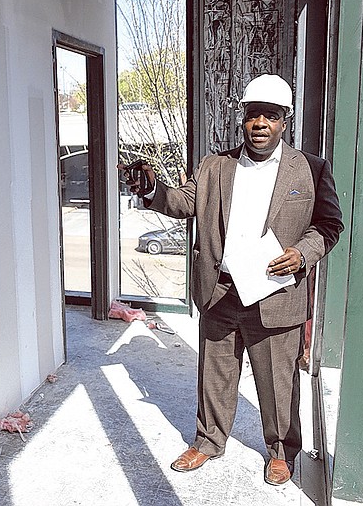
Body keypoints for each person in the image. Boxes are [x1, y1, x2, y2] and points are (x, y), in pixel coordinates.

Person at [121, 74, 343, 485]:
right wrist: (152, 189)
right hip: (220, 289)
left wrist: (301, 255)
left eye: (270, 116)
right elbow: (184, 202)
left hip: (274, 293)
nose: (260, 124)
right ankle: (208, 441)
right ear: (242, 118)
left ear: (284, 121)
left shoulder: (311, 169)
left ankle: (280, 451)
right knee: (214, 374)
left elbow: (329, 224)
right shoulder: (214, 165)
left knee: (278, 382)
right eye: (253, 114)